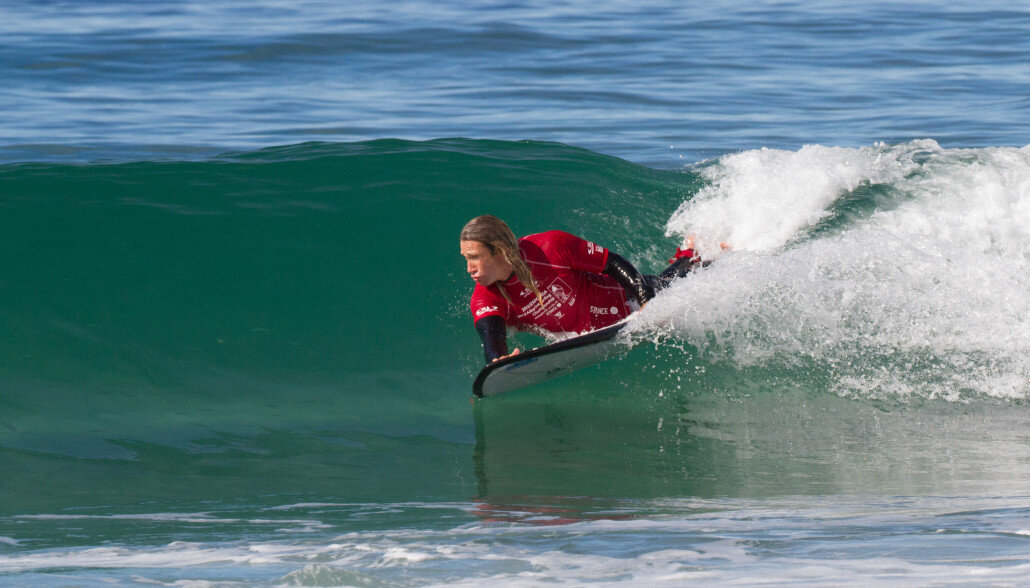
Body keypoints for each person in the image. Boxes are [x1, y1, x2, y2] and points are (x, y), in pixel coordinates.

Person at [460, 215, 700, 363]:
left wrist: (648, 302)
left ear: (499, 250)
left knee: (680, 282)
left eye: (474, 257)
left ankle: (692, 254)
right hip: (591, 335)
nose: (469, 268)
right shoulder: (484, 297)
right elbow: (492, 338)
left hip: (630, 302)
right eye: (466, 258)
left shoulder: (549, 248)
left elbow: (612, 263)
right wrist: (498, 360)